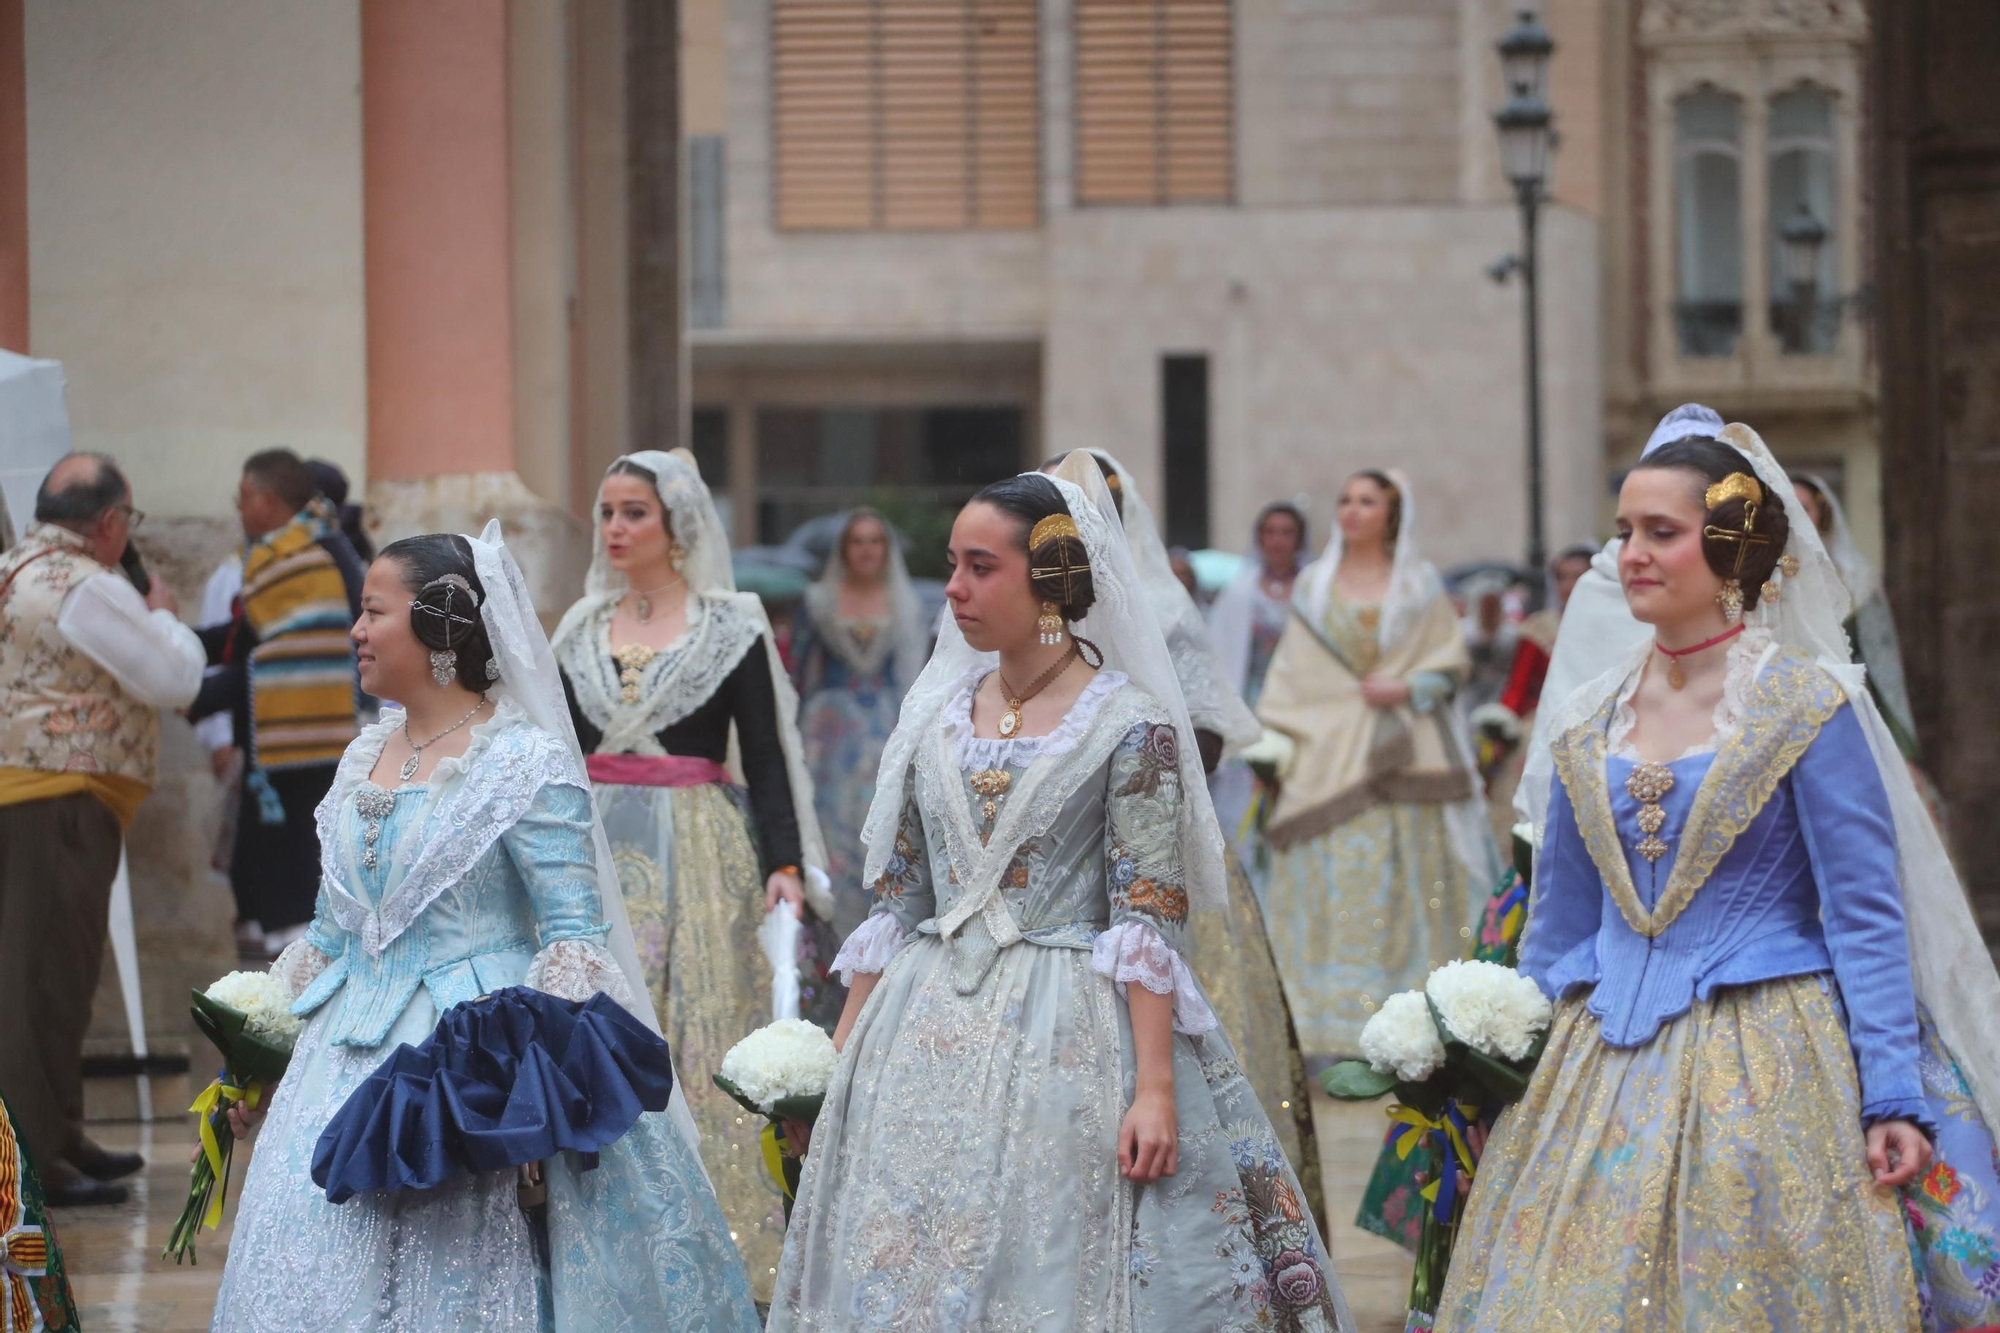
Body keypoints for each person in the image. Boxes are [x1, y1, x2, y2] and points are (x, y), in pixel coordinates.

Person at [1437, 425, 2000, 1331]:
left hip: (1770, 1060)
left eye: (1662, 531)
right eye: (1625, 532)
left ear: (1733, 544)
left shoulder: (1805, 705)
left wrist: (1891, 1090)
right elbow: (1560, 926)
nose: (1631, 555)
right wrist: (1502, 1074)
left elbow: (1864, 912)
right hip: (1595, 1070)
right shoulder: (1586, 717)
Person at [770, 457, 1352, 1331]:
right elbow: (896, 905)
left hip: (1069, 1031)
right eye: (955, 565)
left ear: (1048, 583)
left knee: (1047, 1255)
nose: (955, 588)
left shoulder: (1131, 725)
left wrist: (1155, 1085)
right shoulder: (933, 717)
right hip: (918, 1034)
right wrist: (835, 1061)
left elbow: (1146, 911)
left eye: (980, 566)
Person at [210, 526, 759, 1331]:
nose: (356, 632)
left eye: (373, 611)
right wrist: (254, 1051)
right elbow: (330, 934)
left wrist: (534, 1099)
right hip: (338, 1060)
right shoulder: (362, 756)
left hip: (473, 1074)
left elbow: (574, 937)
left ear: (438, 626)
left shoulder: (523, 762)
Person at [552, 450, 834, 1297]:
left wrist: (784, 860)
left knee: (696, 1027)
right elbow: (557, 752)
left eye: (633, 511)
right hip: (599, 844)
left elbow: (769, 754)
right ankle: (601, 1236)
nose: (615, 528)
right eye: (606, 512)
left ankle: (723, 1240)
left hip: (700, 847)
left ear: (676, 525)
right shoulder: (579, 626)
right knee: (596, 1020)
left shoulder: (730, 625)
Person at [1057, 448, 1326, 1220]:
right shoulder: (1027, 610)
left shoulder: (1165, 608)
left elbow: (1203, 734)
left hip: (1156, 851)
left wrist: (1124, 775)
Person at [0, 454, 204, 1205]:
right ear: (111, 521)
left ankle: (57, 1133)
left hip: (28, 796)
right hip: (59, 801)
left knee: (43, 976)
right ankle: (35, 1163)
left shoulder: (13, 568)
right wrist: (161, 613)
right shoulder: (86, 586)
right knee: (43, 983)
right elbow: (174, 679)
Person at [1252, 469, 1500, 1060]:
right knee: (1327, 885)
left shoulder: (1417, 584)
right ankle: (1325, 1030)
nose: (1353, 510)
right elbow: (1294, 671)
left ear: (1392, 514)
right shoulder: (1314, 585)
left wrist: (1409, 686)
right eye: (1345, 500)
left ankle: (1416, 1027)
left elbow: (1451, 662)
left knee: (1408, 885)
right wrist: (1275, 742)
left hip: (1409, 758)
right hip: (1326, 754)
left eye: (1368, 501)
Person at [190, 449, 365, 953]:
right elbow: (249, 641)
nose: (239, 509)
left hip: (306, 748)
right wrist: (175, 645)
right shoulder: (275, 555)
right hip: (269, 749)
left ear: (266, 500)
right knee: (257, 888)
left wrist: (197, 693)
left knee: (295, 894)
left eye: (243, 498)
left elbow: (291, 652)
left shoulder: (321, 551)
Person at [789, 507, 929, 939]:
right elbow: (799, 671)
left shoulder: (904, 602)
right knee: (832, 825)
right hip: (830, 733)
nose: (867, 550)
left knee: (884, 819)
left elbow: (916, 671)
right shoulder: (817, 601)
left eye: (875, 541)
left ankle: (884, 923)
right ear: (844, 549)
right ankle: (832, 928)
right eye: (858, 541)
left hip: (884, 723)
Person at [1206, 500, 1310, 891]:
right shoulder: (1240, 589)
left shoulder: (1313, 587)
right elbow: (1220, 650)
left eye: (1286, 532)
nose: (1278, 541)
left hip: (1300, 703)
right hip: (1250, 701)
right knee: (1245, 794)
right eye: (1271, 532)